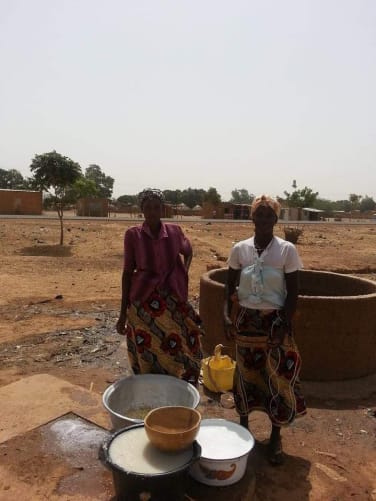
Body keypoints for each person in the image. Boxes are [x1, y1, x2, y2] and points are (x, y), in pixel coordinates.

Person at [223, 194, 306, 465]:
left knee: (277, 376)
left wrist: (284, 322)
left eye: (269, 214)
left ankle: (275, 436)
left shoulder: (286, 251)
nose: (264, 219)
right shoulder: (240, 249)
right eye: (259, 214)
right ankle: (244, 428)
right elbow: (229, 285)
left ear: (275, 219)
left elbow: (293, 292)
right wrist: (226, 315)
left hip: (275, 322)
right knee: (245, 374)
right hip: (246, 321)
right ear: (252, 217)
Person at [116, 188, 203, 385]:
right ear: (142, 210)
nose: (153, 212)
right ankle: (150, 383)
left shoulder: (174, 231)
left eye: (157, 207)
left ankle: (176, 381)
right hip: (143, 297)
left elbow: (188, 252)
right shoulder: (133, 235)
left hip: (171, 295)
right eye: (148, 208)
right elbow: (127, 272)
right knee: (146, 344)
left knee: (179, 339)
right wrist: (123, 313)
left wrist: (183, 273)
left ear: (163, 209)